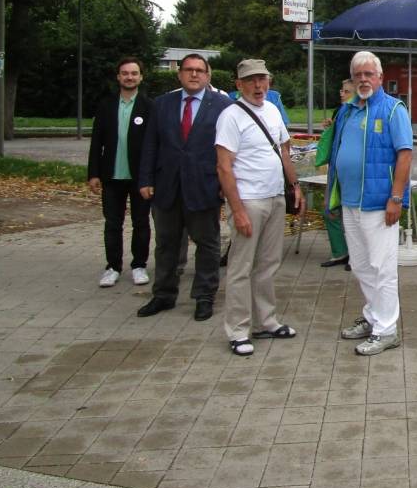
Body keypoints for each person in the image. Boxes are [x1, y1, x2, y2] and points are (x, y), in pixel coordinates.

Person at [215, 60, 306, 356]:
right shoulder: (230, 116)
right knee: (241, 267)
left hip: (275, 197)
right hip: (249, 200)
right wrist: (237, 209)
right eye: (251, 80)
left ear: (269, 81)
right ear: (239, 85)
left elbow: (283, 150)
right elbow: (224, 166)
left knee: (268, 264)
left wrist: (295, 186)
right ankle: (238, 330)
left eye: (262, 80)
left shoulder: (272, 110)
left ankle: (266, 321)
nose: (258, 86)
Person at [329, 52, 413, 356]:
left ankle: (387, 330)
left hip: (379, 203)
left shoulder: (393, 110)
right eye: (358, 75)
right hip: (350, 200)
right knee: (362, 267)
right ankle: (374, 317)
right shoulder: (348, 111)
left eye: (369, 74)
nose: (363, 79)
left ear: (379, 77)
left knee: (382, 268)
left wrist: (396, 198)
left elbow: (405, 154)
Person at [137, 54, 231, 321]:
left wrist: (226, 183)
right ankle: (164, 295)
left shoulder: (223, 106)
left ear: (207, 75)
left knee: (208, 244)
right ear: (179, 74)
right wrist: (145, 179)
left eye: (199, 71)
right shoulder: (162, 104)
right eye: (188, 70)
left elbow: (229, 149)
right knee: (166, 243)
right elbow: (151, 144)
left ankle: (204, 296)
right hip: (167, 186)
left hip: (204, 187)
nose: (194, 75)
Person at [87, 57, 152, 288]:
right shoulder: (106, 105)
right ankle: (113, 266)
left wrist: (150, 176)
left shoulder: (148, 106)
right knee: (112, 223)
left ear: (141, 77)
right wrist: (93, 173)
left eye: (134, 73)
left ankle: (139, 265)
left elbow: (153, 145)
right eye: (125, 73)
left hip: (140, 179)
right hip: (112, 176)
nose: (129, 77)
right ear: (118, 77)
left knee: (141, 222)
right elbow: (96, 142)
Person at [316, 79, 352, 269]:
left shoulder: (358, 114)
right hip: (334, 169)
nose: (341, 93)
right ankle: (340, 252)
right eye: (341, 89)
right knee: (330, 209)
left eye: (346, 91)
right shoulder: (339, 112)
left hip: (349, 172)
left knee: (351, 214)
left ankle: (356, 256)